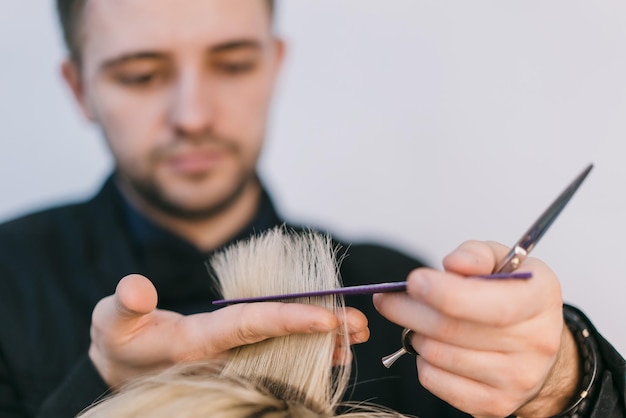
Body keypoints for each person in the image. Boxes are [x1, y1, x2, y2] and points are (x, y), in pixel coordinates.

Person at [0, 0, 623, 417]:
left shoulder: (398, 302)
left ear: (274, 65)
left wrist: (564, 382)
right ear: (80, 88)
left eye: (233, 63)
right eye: (140, 75)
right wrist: (99, 388)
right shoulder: (9, 284)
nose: (192, 115)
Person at [76, 228, 406, 418]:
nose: (192, 119)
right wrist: (104, 380)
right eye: (143, 100)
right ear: (83, 102)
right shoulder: (26, 278)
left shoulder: (392, 281)